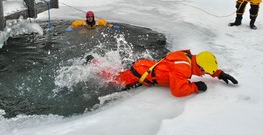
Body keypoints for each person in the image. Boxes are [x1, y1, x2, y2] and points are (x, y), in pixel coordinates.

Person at [86, 50, 238, 97]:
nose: (204, 74)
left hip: (146, 65)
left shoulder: (187, 57)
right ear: (199, 66)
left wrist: (219, 74)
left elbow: (203, 65)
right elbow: (178, 91)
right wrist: (196, 87)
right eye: (205, 72)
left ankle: (98, 63)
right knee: (113, 79)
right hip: (140, 74)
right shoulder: (183, 69)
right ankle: (93, 63)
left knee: (116, 73)